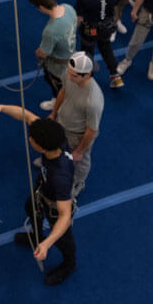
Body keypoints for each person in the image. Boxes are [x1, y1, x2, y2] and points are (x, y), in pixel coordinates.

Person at [0, 108, 77, 285]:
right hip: (43, 190)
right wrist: (1, 107)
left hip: (54, 205)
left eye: (32, 139)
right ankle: (36, 236)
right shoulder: (55, 141)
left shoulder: (60, 177)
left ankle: (69, 264)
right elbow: (26, 115)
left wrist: (47, 244)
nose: (29, 139)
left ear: (41, 146)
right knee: (30, 207)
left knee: (63, 240)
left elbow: (65, 215)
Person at [45, 52, 105, 198]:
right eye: (69, 72)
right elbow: (63, 92)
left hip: (77, 135)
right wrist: (53, 113)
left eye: (74, 76)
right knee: (56, 147)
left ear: (87, 74)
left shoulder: (93, 100)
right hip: (61, 123)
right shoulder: (70, 74)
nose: (69, 77)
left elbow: (92, 131)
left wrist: (79, 150)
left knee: (80, 163)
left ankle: (77, 182)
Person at [75, 0, 121, 86]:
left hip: (90, 30)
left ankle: (88, 80)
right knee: (107, 49)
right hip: (107, 28)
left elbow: (79, 18)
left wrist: (74, 30)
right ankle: (115, 76)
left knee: (87, 54)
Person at [31, 0, 77, 111]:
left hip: (58, 67)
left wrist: (38, 52)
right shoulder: (68, 8)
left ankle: (59, 106)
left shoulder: (51, 30)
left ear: (41, 7)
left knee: (58, 88)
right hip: (72, 55)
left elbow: (43, 53)